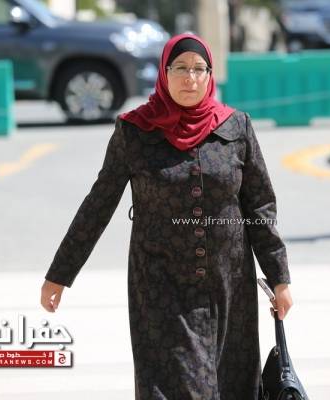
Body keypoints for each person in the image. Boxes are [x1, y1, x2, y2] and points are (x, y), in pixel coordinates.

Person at [40, 33, 293, 399]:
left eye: (199, 69)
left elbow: (260, 207)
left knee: (231, 387)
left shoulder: (236, 128)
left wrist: (279, 278)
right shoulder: (134, 131)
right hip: (161, 289)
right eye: (180, 68)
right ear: (164, 72)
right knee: (180, 388)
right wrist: (60, 275)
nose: (190, 78)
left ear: (210, 75)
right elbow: (98, 204)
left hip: (229, 287)